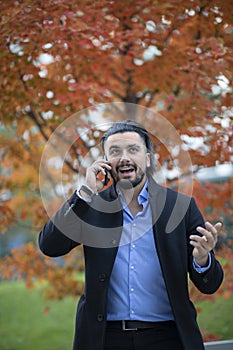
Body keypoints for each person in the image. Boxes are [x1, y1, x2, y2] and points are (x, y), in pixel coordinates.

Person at [39, 120, 224, 350]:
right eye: (115, 152)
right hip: (106, 339)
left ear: (147, 158)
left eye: (133, 150)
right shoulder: (91, 206)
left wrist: (202, 260)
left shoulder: (180, 207)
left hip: (168, 338)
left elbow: (210, 284)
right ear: (105, 162)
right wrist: (85, 192)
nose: (124, 158)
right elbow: (49, 245)